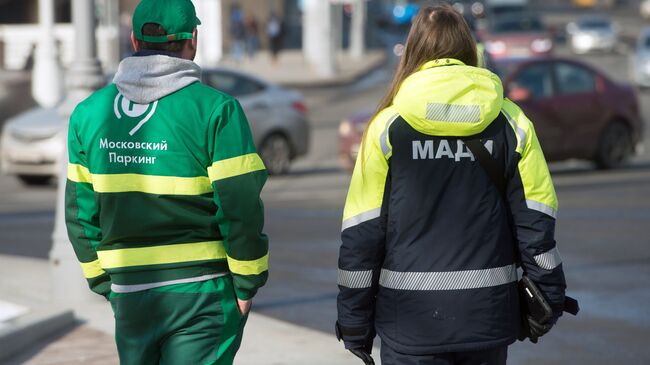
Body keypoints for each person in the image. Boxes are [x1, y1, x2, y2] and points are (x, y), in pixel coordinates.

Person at [336, 5, 566, 365]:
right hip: (487, 318)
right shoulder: (511, 122)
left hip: (410, 323)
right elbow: (536, 220)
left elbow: (362, 233)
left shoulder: (387, 128)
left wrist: (353, 320)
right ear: (468, 49)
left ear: (412, 52)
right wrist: (548, 296)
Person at [64, 0, 269, 364]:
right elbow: (240, 207)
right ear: (193, 39)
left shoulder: (88, 114)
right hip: (202, 290)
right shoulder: (217, 110)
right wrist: (247, 283)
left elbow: (79, 214)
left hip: (129, 291)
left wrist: (105, 285)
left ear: (134, 40)